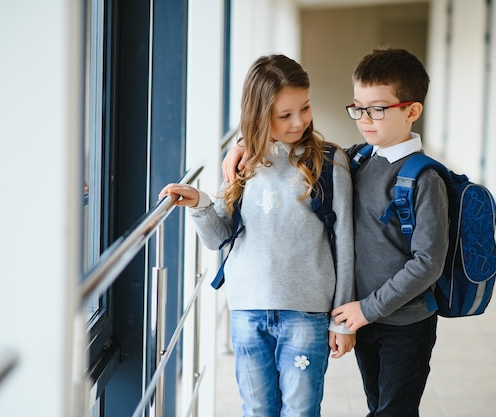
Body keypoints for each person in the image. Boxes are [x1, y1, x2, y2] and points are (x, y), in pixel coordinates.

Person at [222, 48, 449, 417]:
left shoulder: (425, 178)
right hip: (366, 318)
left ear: (411, 111)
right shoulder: (359, 159)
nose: (365, 119)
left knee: (394, 411)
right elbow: (296, 156)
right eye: (358, 107)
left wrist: (363, 310)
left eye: (377, 109)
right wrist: (246, 144)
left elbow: (428, 263)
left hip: (404, 323)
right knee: (378, 407)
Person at [160, 54, 356, 417]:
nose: (299, 121)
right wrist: (200, 203)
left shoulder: (329, 162)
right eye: (285, 115)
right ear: (259, 114)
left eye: (305, 107)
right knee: (257, 410)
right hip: (247, 311)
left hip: (307, 314)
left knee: (300, 411)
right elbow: (219, 236)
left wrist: (341, 321)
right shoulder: (242, 163)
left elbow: (344, 242)